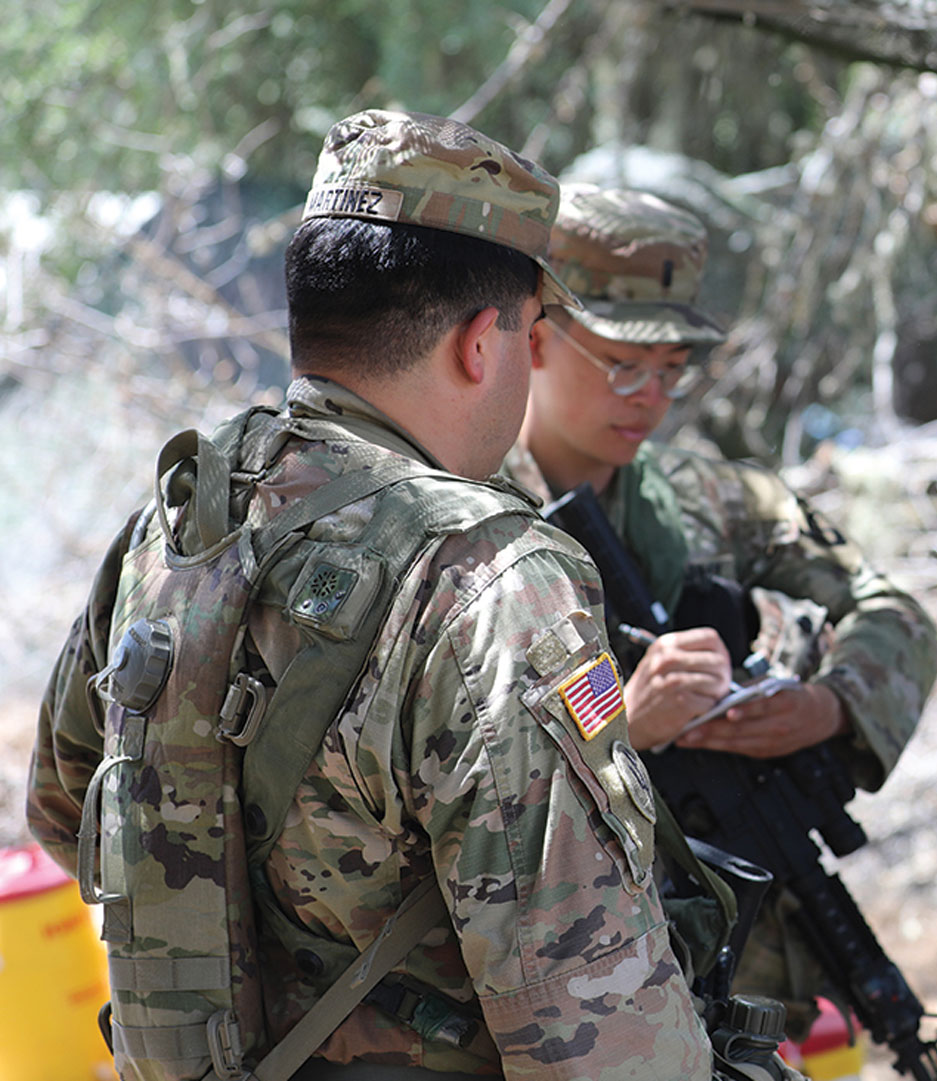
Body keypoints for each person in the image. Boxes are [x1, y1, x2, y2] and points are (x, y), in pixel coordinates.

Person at [27, 111, 710, 1078]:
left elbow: (64, 812)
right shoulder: (488, 576)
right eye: (532, 331)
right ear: (483, 343)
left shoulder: (179, 518)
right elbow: (600, 1029)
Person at [504, 184, 937, 1039]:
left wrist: (832, 703)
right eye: (624, 364)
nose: (651, 397)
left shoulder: (710, 500)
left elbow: (894, 606)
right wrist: (623, 718)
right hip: (556, 979)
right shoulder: (466, 517)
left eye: (672, 370)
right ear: (537, 337)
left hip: (733, 967)